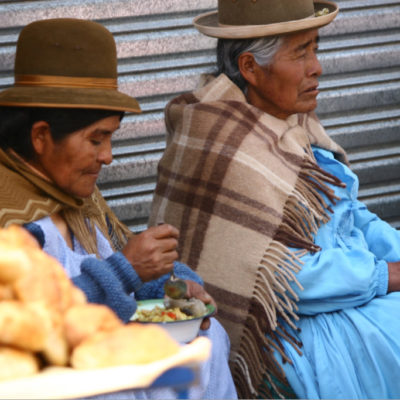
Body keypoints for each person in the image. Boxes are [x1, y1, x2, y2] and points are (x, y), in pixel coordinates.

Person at [149, 0, 400, 398]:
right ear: (250, 67)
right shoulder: (217, 144)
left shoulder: (292, 124)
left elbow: (348, 214)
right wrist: (384, 276)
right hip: (289, 330)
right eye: (300, 52)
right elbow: (282, 282)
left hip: (350, 293)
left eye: (315, 48)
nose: (316, 67)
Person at [0, 18, 237, 400]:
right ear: (41, 136)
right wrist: (126, 270)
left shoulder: (71, 194)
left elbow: (116, 259)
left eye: (110, 138)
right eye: (96, 139)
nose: (108, 157)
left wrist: (175, 285)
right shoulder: (10, 217)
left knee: (204, 341)